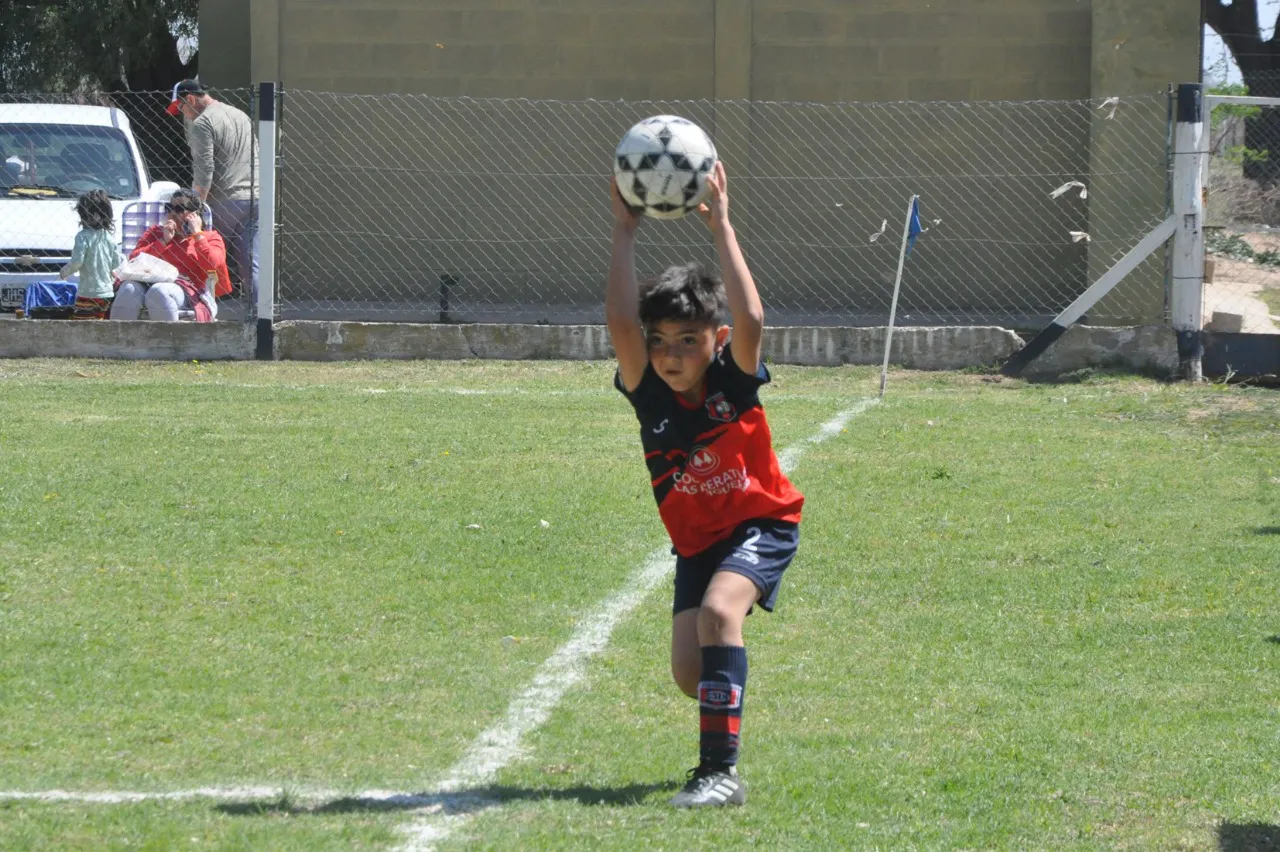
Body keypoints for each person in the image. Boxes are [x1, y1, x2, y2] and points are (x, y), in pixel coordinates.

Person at [605, 162, 804, 808]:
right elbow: (621, 326)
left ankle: (719, 775)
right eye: (660, 341)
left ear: (715, 343)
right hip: (697, 545)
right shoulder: (648, 394)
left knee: (721, 613)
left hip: (761, 523)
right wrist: (623, 233)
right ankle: (727, 690)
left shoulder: (731, 379)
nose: (669, 355)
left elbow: (751, 318)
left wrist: (722, 226)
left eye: (688, 341)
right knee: (692, 673)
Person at [166, 79, 258, 296]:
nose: (183, 114)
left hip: (224, 200)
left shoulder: (202, 123)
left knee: (204, 255)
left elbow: (204, 170)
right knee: (252, 260)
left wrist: (194, 207)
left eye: (181, 108)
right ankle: (260, 315)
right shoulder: (240, 115)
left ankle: (204, 307)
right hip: (256, 196)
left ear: (190, 99)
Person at [110, 188, 231, 322]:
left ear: (194, 214)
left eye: (179, 209)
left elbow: (214, 265)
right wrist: (162, 241)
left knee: (158, 292)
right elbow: (135, 259)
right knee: (128, 289)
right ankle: (118, 340)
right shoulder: (156, 232)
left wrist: (197, 235)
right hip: (146, 281)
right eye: (169, 207)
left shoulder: (209, 237)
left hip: (186, 290)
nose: (172, 213)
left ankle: (170, 340)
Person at [60, 189, 122, 319]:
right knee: (100, 322)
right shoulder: (108, 236)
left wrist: (65, 271)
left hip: (88, 292)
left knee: (82, 324)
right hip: (107, 292)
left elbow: (77, 263)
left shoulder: (82, 237)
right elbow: (116, 261)